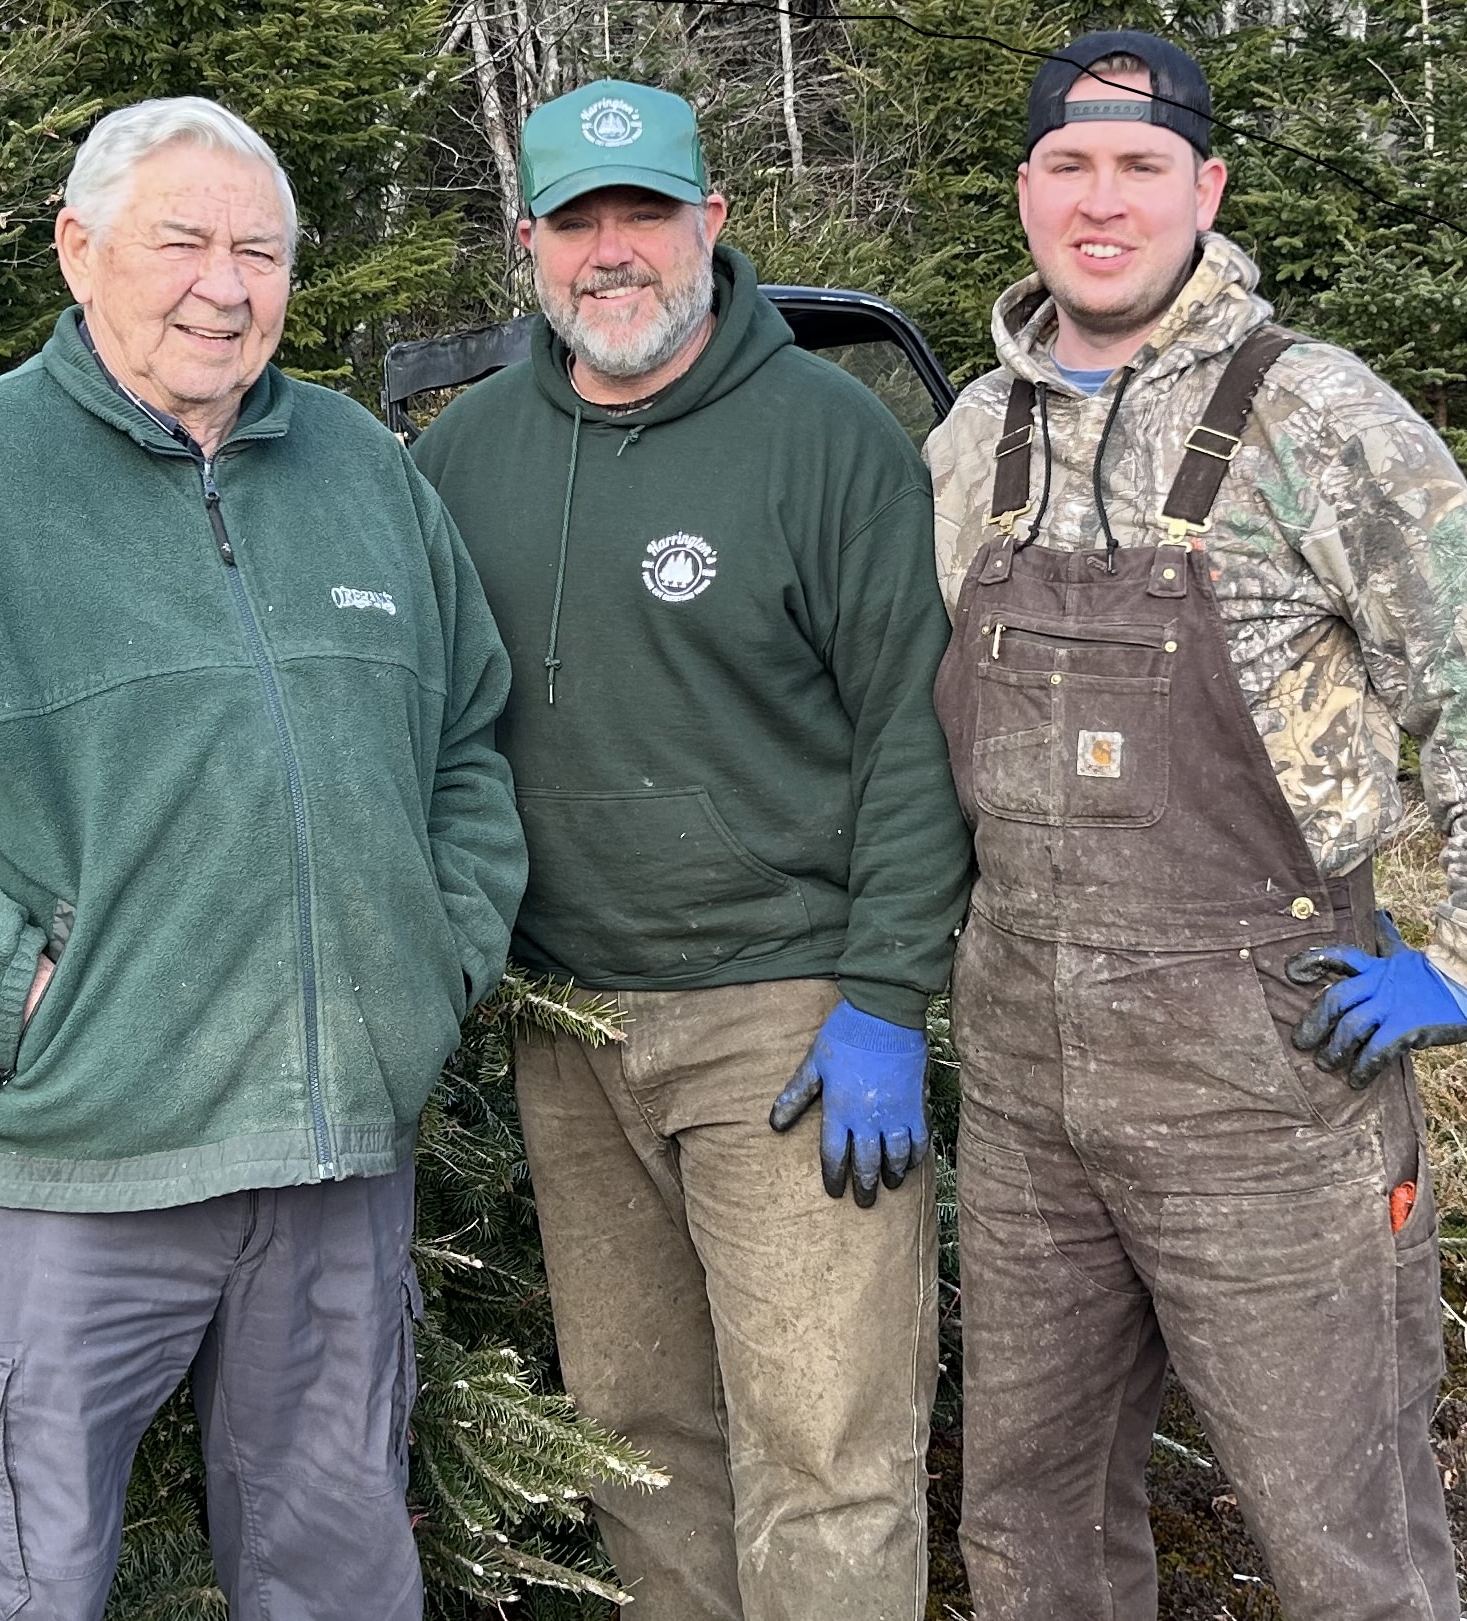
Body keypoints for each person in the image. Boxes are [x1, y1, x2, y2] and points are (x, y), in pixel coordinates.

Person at [0, 97, 524, 1621]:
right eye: (182, 241)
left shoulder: (364, 471)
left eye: (259, 250)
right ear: (78, 249)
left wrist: (430, 957)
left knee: (340, 1583)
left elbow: (469, 750)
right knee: (24, 1592)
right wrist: (26, 998)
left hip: (331, 1168)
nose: (223, 283)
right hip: (60, 1179)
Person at [924, 31, 1467, 1620]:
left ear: (1203, 189)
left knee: (1339, 1527)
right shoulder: (969, 440)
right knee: (1030, 1526)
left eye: (1139, 167)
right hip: (1023, 1084)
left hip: (1266, 1078)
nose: (1102, 202)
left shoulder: (1314, 415)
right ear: (1025, 190)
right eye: (1068, 166)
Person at [412, 79, 972, 1621]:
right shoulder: (460, 457)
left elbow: (913, 736)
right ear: (526, 239)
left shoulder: (828, 439)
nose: (612, 253)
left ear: (709, 224)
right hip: (565, 1023)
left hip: (785, 1024)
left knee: (824, 1445)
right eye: (575, 221)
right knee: (635, 1435)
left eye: (643, 214)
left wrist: (884, 995)